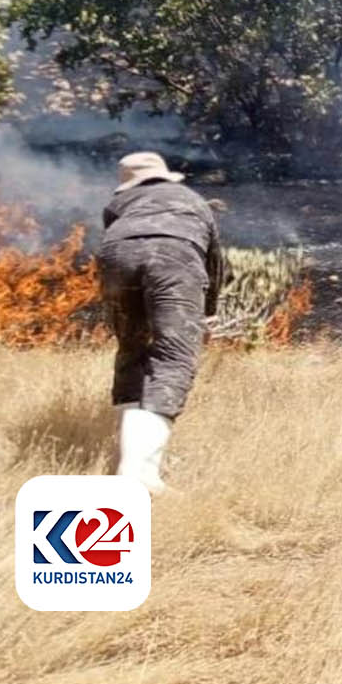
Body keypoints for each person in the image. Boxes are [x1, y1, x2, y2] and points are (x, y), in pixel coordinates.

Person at [99, 151, 226, 492]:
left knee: (131, 353)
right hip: (175, 257)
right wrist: (207, 312)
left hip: (115, 256)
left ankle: (134, 466)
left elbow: (120, 246)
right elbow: (214, 263)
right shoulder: (192, 199)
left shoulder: (120, 202)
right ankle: (138, 474)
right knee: (173, 360)